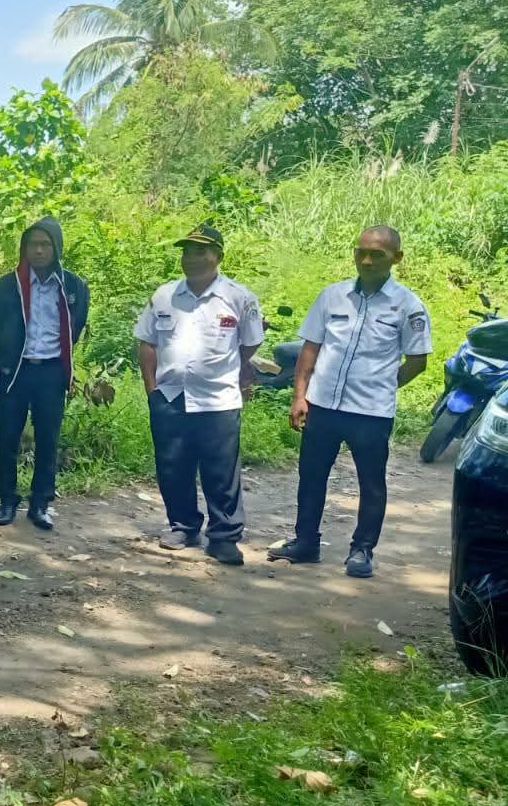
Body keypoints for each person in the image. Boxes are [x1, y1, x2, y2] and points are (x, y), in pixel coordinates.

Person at [268, 225, 430, 578]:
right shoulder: (332, 296)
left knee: (371, 483)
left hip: (371, 413)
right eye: (361, 253)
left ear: (397, 258)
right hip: (323, 406)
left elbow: (418, 361)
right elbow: (311, 348)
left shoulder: (408, 306)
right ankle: (306, 543)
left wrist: (383, 385)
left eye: (377, 255)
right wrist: (299, 396)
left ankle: (362, 550)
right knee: (311, 476)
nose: (367, 261)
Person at [133, 223, 264, 566]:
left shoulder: (239, 297)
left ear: (217, 256)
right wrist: (152, 390)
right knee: (173, 466)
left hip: (218, 398)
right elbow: (147, 343)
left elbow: (250, 344)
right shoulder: (165, 296)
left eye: (200, 251)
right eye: (186, 252)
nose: (190, 258)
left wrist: (226, 370)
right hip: (170, 396)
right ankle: (183, 526)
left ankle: (224, 537)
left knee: (221, 472)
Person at [0, 216, 90, 530]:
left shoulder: (73, 286)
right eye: (33, 244)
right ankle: (6, 500)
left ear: (57, 248)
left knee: (48, 439)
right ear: (24, 248)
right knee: (7, 438)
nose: (39, 251)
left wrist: (59, 362)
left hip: (51, 373)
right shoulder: (6, 286)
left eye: (45, 244)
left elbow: (75, 326)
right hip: (16, 370)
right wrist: (9, 353)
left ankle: (41, 503)